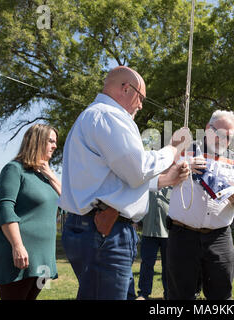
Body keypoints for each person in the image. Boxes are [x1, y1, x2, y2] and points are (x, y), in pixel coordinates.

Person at [59, 66, 191, 300]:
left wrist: (166, 179)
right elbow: (136, 170)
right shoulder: (108, 115)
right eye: (141, 98)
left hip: (99, 228)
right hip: (105, 230)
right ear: (125, 88)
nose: (141, 105)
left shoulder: (94, 116)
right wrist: (171, 149)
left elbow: (114, 180)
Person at [166, 110, 234, 300]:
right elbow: (159, 175)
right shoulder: (184, 151)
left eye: (228, 137)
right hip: (183, 236)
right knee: (179, 296)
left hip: (219, 238)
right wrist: (183, 166)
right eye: (219, 134)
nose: (223, 140)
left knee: (221, 296)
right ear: (207, 129)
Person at [0, 124, 61, 300]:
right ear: (36, 141)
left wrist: (50, 175)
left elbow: (68, 203)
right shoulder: (14, 169)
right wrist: (17, 246)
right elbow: (5, 209)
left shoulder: (45, 175)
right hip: (19, 254)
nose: (55, 146)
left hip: (44, 256)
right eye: (50, 141)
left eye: (55, 142)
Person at [137, 187, 171, 300]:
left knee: (169, 266)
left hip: (169, 232)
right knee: (146, 264)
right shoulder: (148, 183)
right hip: (148, 230)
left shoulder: (175, 184)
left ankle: (169, 294)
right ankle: (143, 293)